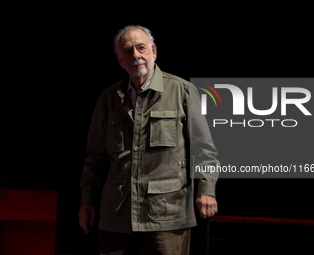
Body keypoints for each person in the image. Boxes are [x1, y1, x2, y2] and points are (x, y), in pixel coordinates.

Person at [79, 25, 219, 255]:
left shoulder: (182, 91)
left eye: (141, 48)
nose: (135, 55)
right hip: (117, 216)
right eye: (128, 50)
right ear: (119, 60)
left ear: (153, 50)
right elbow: (95, 158)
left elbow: (203, 148)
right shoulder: (108, 99)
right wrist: (87, 200)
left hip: (167, 217)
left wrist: (206, 189)